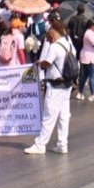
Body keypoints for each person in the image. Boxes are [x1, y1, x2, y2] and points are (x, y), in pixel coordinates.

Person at [24, 18, 73, 155]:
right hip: (66, 83)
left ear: (53, 30)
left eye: (48, 32)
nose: (47, 35)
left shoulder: (55, 46)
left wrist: (40, 63)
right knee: (64, 115)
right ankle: (62, 144)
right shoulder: (66, 43)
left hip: (55, 84)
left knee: (49, 116)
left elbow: (47, 63)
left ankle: (40, 144)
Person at [77, 19, 94, 101]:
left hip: (89, 56)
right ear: (91, 26)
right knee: (92, 75)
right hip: (89, 57)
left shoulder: (92, 32)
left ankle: (80, 93)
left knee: (84, 75)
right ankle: (93, 94)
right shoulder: (89, 33)